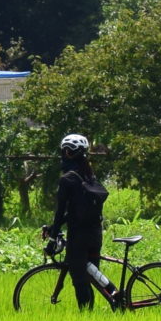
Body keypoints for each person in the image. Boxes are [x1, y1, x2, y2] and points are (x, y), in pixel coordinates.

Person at [46, 133, 118, 311]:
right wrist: (53, 228)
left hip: (79, 237)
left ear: (67, 153)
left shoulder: (67, 179)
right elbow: (75, 210)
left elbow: (61, 212)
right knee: (91, 277)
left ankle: (86, 315)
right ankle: (113, 298)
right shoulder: (89, 176)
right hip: (95, 234)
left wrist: (52, 238)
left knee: (80, 280)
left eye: (65, 151)